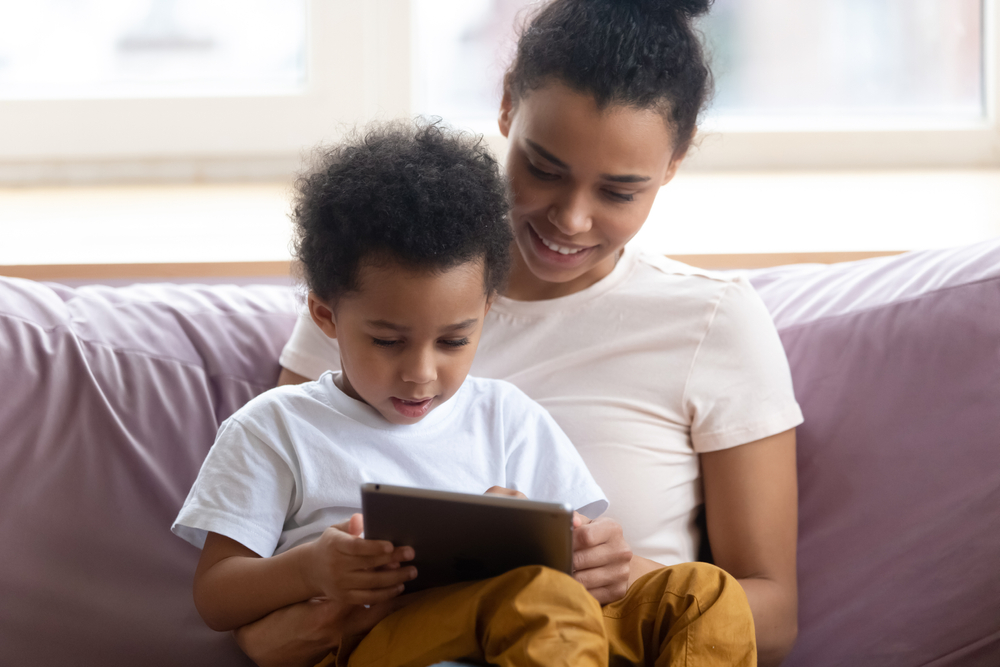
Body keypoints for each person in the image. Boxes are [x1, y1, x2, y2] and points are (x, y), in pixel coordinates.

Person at [255, 0, 803, 665]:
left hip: (615, 642)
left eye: (619, 191)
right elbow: (265, 595)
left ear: (675, 161)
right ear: (508, 103)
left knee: (692, 597)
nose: (571, 219)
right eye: (544, 169)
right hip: (412, 641)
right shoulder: (382, 300)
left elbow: (770, 614)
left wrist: (620, 569)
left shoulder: (715, 322)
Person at [172, 121, 756, 667]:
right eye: (387, 341)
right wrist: (312, 570)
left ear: (485, 312)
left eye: (454, 340)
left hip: (544, 629)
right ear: (326, 316)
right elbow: (216, 596)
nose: (421, 373)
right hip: (381, 639)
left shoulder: (509, 416)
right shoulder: (274, 427)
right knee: (534, 598)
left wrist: (597, 555)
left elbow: (575, 557)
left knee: (704, 593)